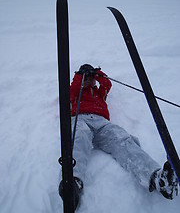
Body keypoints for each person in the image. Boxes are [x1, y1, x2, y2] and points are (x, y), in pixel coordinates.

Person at [59, 64, 178, 209]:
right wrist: (80, 76)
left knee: (122, 139)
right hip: (80, 118)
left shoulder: (99, 92)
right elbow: (69, 92)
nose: (90, 81)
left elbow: (107, 83)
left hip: (102, 123)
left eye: (92, 79)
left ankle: (157, 179)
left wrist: (96, 73)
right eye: (87, 79)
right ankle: (71, 182)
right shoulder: (76, 92)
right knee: (79, 137)